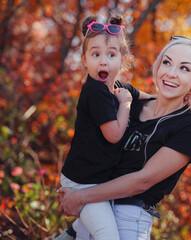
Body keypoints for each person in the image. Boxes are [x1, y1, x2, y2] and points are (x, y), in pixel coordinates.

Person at [57, 35, 191, 240]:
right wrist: (74, 187)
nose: (171, 73)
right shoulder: (129, 102)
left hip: (128, 220)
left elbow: (142, 181)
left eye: (184, 68)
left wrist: (78, 197)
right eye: (166, 62)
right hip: (94, 210)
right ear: (158, 66)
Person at [57, 10, 152, 240]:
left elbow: (146, 96)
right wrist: (125, 105)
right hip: (82, 182)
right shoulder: (96, 91)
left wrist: (178, 101)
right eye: (96, 54)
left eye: (111, 55)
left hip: (96, 181)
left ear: (122, 59)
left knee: (85, 233)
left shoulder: (116, 86)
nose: (103, 60)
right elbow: (114, 134)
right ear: (84, 60)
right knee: (107, 235)